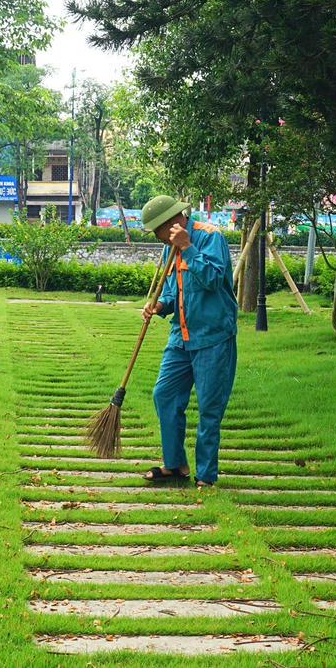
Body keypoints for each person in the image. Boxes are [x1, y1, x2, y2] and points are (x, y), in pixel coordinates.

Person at [138, 195, 238, 488]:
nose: (158, 239)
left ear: (171, 223)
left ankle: (206, 475)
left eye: (157, 232)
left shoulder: (209, 237)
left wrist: (188, 248)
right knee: (164, 394)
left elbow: (213, 279)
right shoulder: (170, 250)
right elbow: (173, 293)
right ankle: (175, 464)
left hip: (213, 338)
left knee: (209, 407)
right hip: (180, 337)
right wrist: (159, 306)